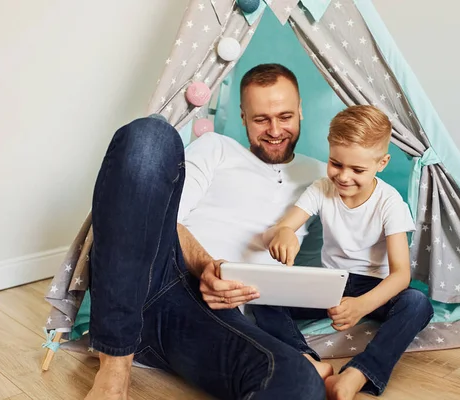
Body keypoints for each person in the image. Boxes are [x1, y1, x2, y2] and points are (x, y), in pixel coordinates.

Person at [84, 63, 329, 400]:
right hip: (155, 277)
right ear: (243, 117)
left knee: (298, 382)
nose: (274, 130)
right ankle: (114, 363)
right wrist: (207, 266)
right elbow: (161, 218)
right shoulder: (217, 148)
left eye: (285, 117)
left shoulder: (322, 177)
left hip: (216, 318)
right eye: (261, 119)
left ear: (300, 112)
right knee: (151, 135)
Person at [253, 105, 434, 400]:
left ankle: (357, 374)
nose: (344, 176)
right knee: (262, 296)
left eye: (358, 169)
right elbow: (279, 229)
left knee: (417, 303)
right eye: (336, 163)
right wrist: (284, 232)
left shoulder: (389, 202)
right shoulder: (321, 189)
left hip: (375, 288)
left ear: (382, 163)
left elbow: (401, 275)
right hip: (331, 283)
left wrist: (362, 305)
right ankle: (308, 361)